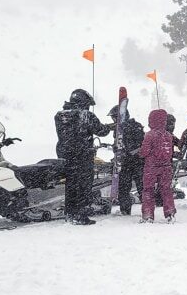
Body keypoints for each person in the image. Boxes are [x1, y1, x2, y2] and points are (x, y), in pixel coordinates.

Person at [54, 88, 111, 225]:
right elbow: (101, 131)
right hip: (82, 154)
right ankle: (80, 215)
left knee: (71, 184)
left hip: (65, 155)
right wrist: (109, 127)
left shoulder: (59, 115)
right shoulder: (86, 115)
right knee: (84, 185)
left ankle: (70, 213)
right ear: (83, 102)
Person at [140, 109, 176, 223]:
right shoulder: (168, 135)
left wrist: (139, 153)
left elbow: (144, 152)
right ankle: (170, 213)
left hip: (151, 167)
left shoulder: (150, 135)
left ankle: (148, 215)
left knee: (148, 190)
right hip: (166, 166)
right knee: (166, 190)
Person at [108, 105, 145, 216]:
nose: (113, 120)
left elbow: (140, 144)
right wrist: (117, 149)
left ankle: (146, 208)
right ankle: (125, 209)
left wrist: (128, 150)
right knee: (124, 186)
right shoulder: (118, 129)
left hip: (136, 161)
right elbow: (119, 143)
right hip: (125, 162)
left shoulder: (135, 126)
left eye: (115, 117)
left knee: (140, 186)